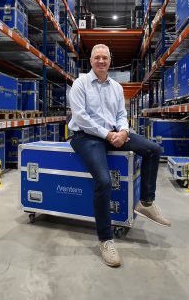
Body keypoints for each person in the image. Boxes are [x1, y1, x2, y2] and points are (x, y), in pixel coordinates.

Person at [68, 44, 171, 268]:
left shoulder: (116, 87)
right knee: (104, 181)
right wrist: (107, 135)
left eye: (105, 57)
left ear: (110, 61)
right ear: (91, 61)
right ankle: (106, 240)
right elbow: (81, 118)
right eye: (97, 57)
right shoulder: (80, 84)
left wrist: (123, 131)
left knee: (153, 150)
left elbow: (121, 114)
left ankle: (146, 202)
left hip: (113, 133)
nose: (101, 61)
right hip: (85, 136)